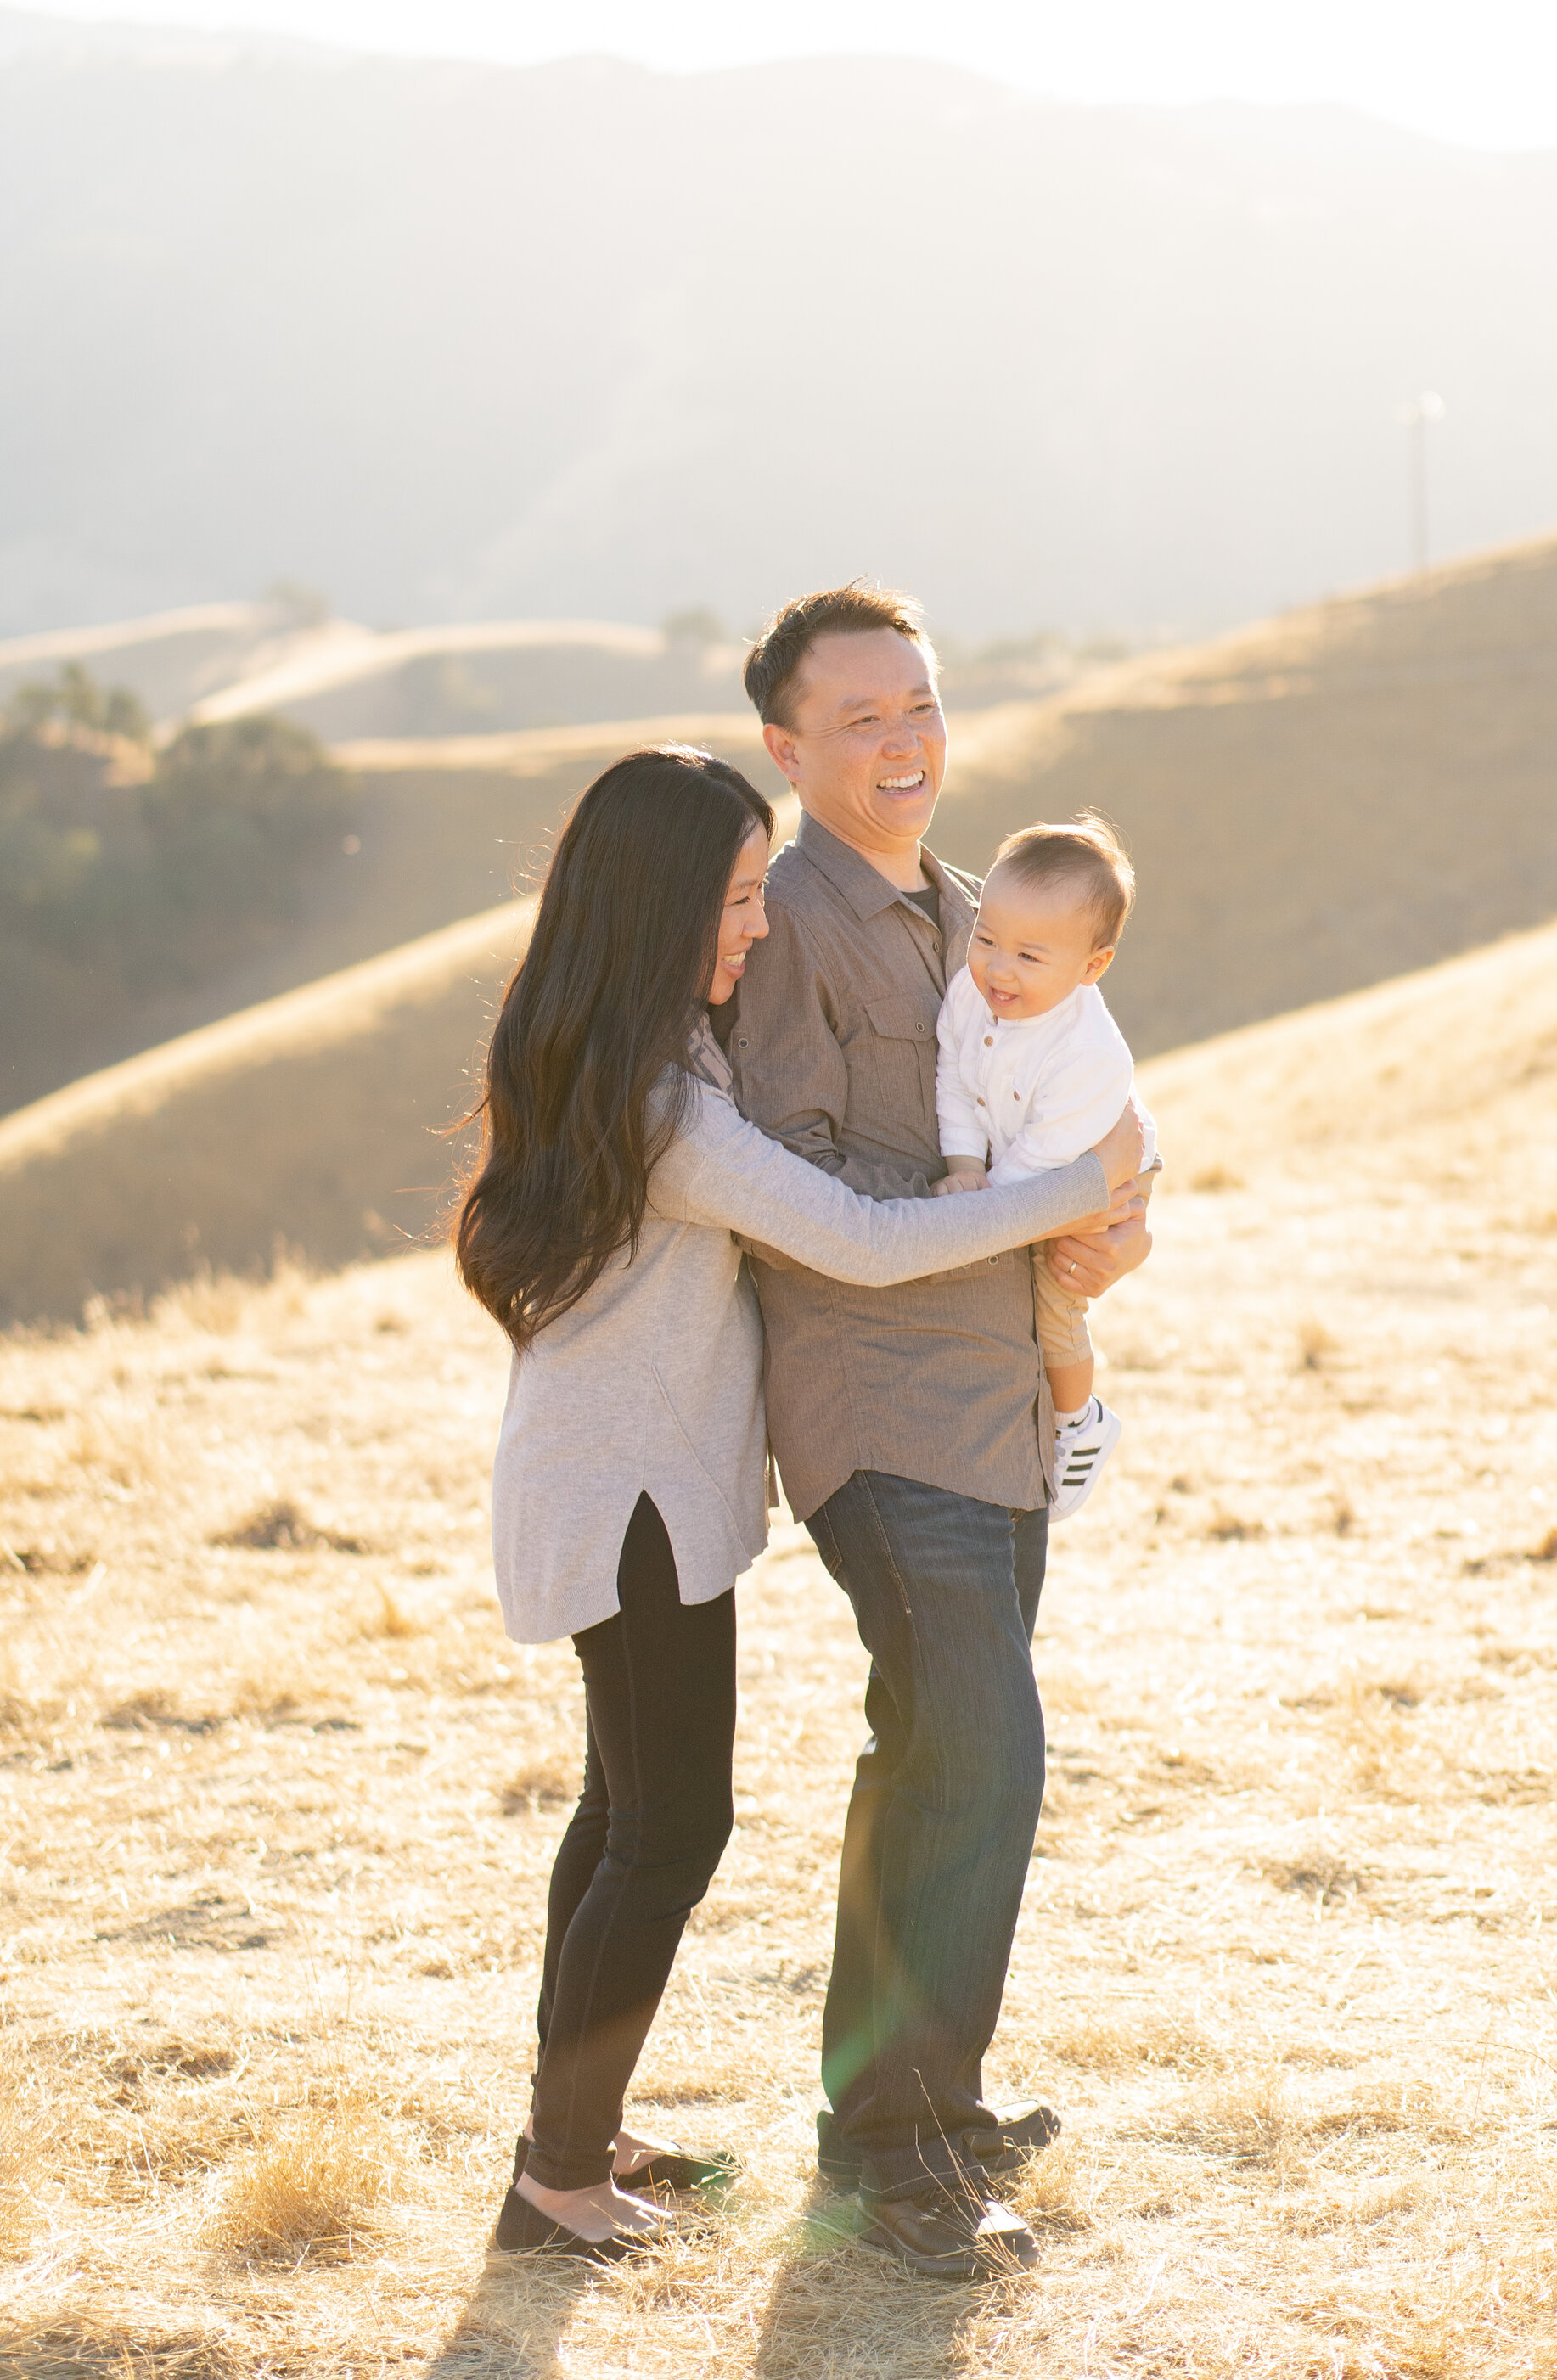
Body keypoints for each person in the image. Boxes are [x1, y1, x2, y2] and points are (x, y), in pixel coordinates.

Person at [455, 744, 1143, 2265]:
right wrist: (1078, 1185)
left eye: (766, 896)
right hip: (626, 1497)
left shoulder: (631, 1056)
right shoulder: (659, 1099)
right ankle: (557, 2181)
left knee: (623, 1816)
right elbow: (853, 1239)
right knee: (667, 1827)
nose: (759, 930)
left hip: (623, 1489)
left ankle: (569, 2137)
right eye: (740, 901)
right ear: (656, 910)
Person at [724, 584, 1155, 2282]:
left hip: (991, 1410)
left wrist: (1116, 1215)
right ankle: (899, 2157)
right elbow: (803, 1191)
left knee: (935, 1754)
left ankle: (911, 2108)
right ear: (786, 747)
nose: (901, 742)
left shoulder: (987, 912)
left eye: (917, 706)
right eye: (857, 720)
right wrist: (1037, 1203)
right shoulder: (790, 928)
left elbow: (1087, 1118)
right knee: (977, 1746)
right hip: (875, 1404)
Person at [933, 813, 1156, 1523]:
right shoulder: (973, 994)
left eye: (1029, 958)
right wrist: (964, 1165)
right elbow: (954, 1077)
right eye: (986, 938)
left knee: (1057, 1289)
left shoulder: (1087, 1052)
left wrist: (988, 1203)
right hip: (1025, 1161)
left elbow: (1047, 1161)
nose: (998, 968)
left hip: (1091, 1158)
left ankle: (1078, 1421)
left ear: (1091, 969)